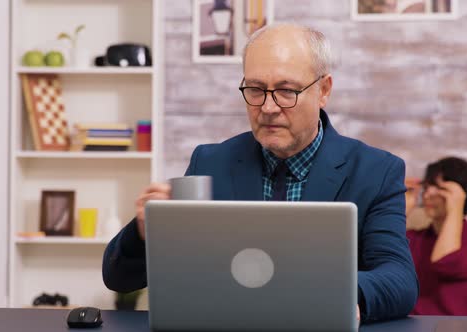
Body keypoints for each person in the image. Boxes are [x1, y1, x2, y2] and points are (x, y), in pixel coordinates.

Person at [103, 23, 418, 323]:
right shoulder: (210, 162)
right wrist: (146, 232)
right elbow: (118, 278)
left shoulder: (376, 171)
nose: (268, 107)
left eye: (286, 91)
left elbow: (399, 279)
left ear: (324, 90)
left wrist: (340, 296)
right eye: (255, 89)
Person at [406, 157, 467, 316]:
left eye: (440, 188)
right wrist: (399, 204)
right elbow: (374, 256)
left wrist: (455, 208)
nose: (427, 194)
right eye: (427, 186)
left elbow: (445, 263)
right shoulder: (413, 239)